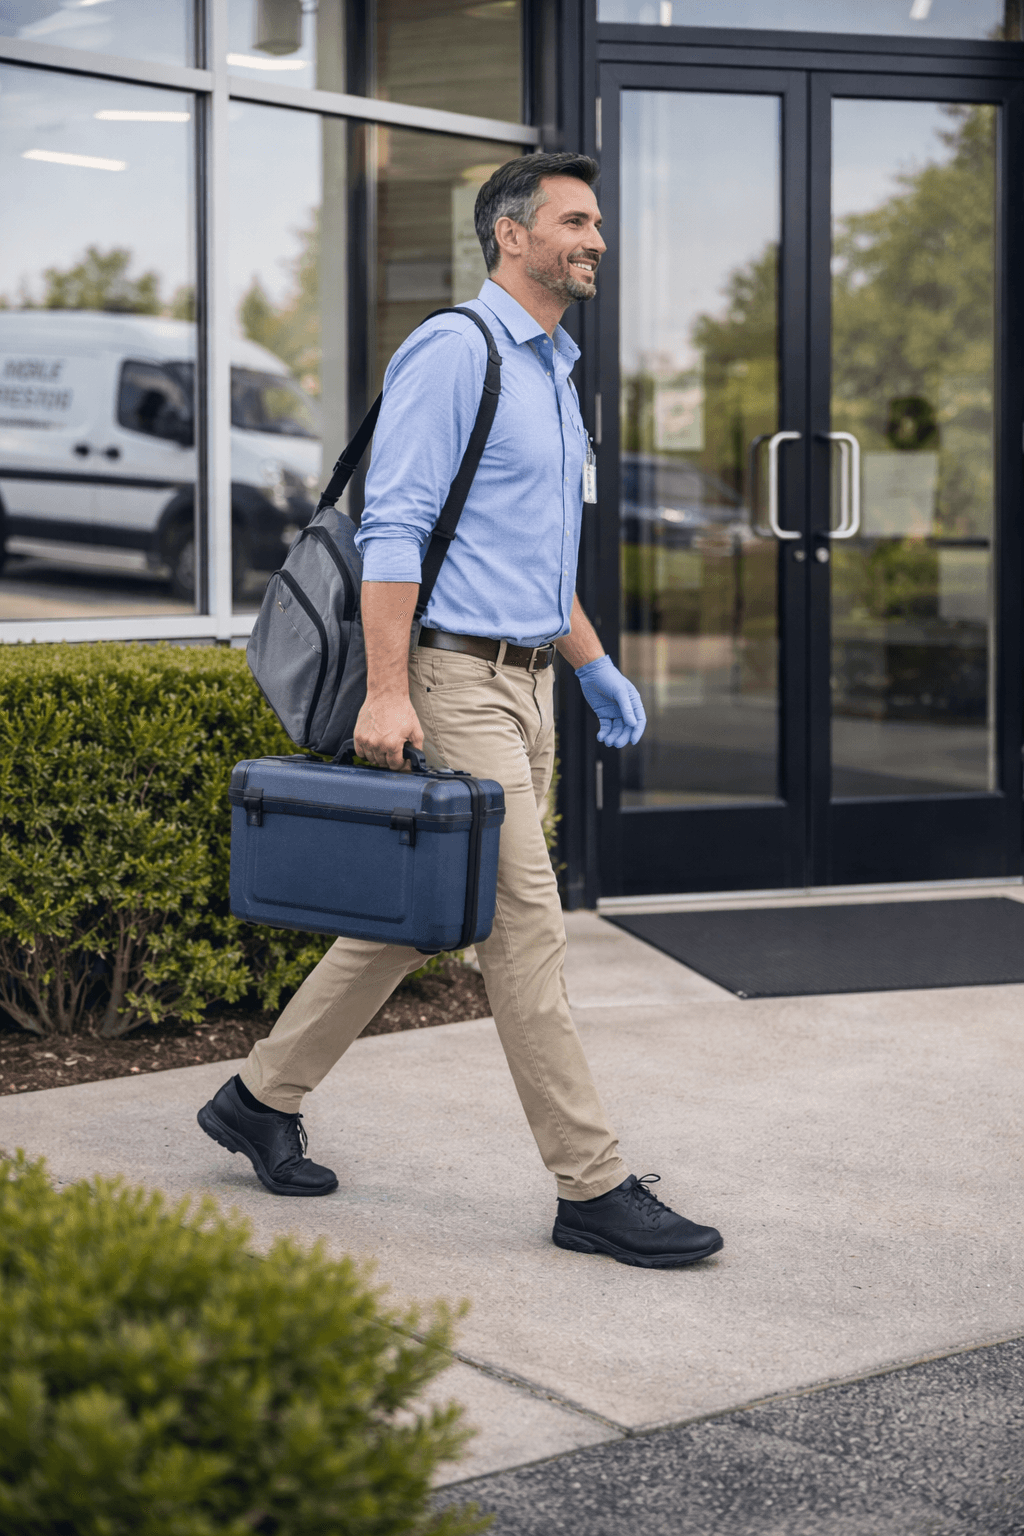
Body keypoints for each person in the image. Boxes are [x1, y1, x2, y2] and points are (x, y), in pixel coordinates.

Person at [199, 153, 723, 1269]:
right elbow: (392, 531)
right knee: (525, 931)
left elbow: (533, 560)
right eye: (573, 222)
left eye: (596, 222)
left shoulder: (555, 372)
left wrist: (590, 664)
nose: (593, 239)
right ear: (509, 236)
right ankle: (592, 1183)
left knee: (410, 918)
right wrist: (388, 693)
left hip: (528, 683)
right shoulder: (458, 351)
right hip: (453, 684)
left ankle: (258, 1097)